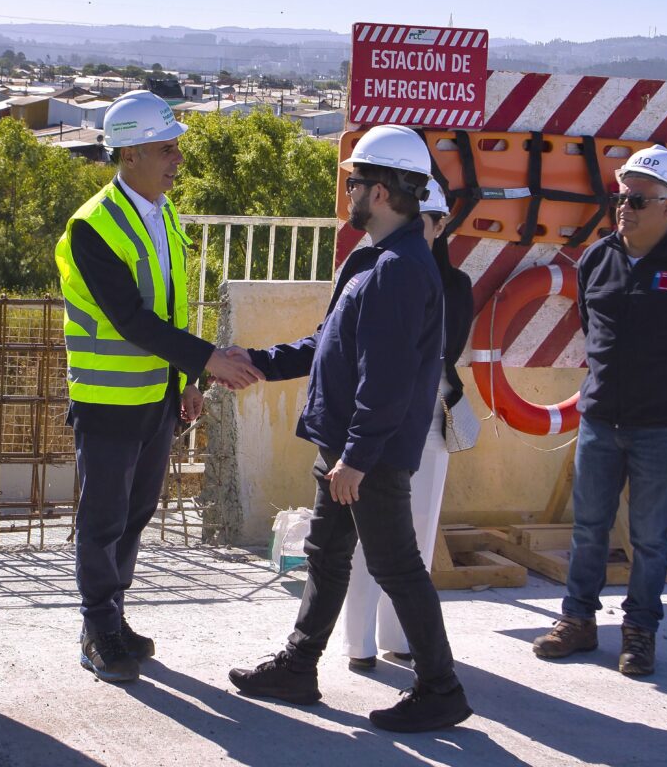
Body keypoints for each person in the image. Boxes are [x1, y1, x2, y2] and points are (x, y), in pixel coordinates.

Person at [226, 124, 472, 733]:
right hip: (347, 448)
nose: (350, 192)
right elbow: (328, 344)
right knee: (327, 555)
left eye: (356, 182)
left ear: (384, 191)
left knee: (394, 566)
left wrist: (357, 459)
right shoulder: (376, 259)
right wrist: (259, 362)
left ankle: (440, 688)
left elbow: (386, 380)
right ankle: (299, 666)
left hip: (370, 458)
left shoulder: (398, 269)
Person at [55, 90, 263, 684]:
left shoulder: (163, 212)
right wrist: (210, 360)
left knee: (136, 514)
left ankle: (113, 619)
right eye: (166, 148)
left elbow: (169, 310)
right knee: (103, 520)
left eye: (175, 148)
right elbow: (130, 319)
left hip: (155, 398)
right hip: (108, 401)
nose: (177, 158)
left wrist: (187, 381)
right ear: (130, 154)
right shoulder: (92, 227)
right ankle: (97, 630)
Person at [532, 145, 667, 676]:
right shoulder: (597, 258)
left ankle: (639, 630)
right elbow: (589, 323)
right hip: (600, 419)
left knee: (648, 536)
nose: (626, 206)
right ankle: (577, 621)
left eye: (639, 199)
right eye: (621, 196)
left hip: (662, 426)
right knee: (588, 527)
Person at [339, 178, 474, 672]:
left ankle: (402, 638)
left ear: (441, 226)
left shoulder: (452, 286)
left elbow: (444, 349)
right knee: (365, 536)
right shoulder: (367, 266)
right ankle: (360, 643)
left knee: (416, 533)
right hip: (376, 413)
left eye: (430, 223)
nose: (421, 230)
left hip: (428, 415)